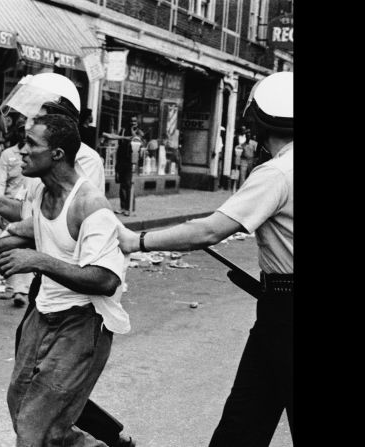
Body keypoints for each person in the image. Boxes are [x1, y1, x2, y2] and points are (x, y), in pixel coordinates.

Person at [117, 71, 293, 446]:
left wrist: (137, 240)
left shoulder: (277, 172)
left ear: (258, 122)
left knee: (245, 420)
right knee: (245, 419)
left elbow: (210, 231)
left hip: (286, 310)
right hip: (276, 311)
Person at [0, 72, 134, 447]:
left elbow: (106, 279)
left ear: (57, 153)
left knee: (34, 426)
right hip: (44, 312)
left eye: (30, 144)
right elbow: (35, 226)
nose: (20, 151)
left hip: (82, 321)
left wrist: (36, 262)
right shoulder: (42, 190)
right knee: (24, 406)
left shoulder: (89, 203)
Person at [0, 119, 34, 305]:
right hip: (9, 205)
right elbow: (0, 182)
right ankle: (17, 287)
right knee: (12, 245)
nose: (23, 135)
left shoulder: (35, 156)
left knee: (22, 246)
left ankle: (20, 289)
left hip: (26, 206)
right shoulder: (7, 155)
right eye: (20, 130)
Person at [104, 115, 144, 216]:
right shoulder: (123, 130)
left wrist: (133, 131)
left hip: (131, 162)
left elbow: (138, 141)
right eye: (131, 121)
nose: (132, 123)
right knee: (122, 184)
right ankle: (122, 207)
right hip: (122, 160)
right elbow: (119, 142)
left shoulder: (139, 132)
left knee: (128, 184)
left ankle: (129, 207)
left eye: (134, 122)